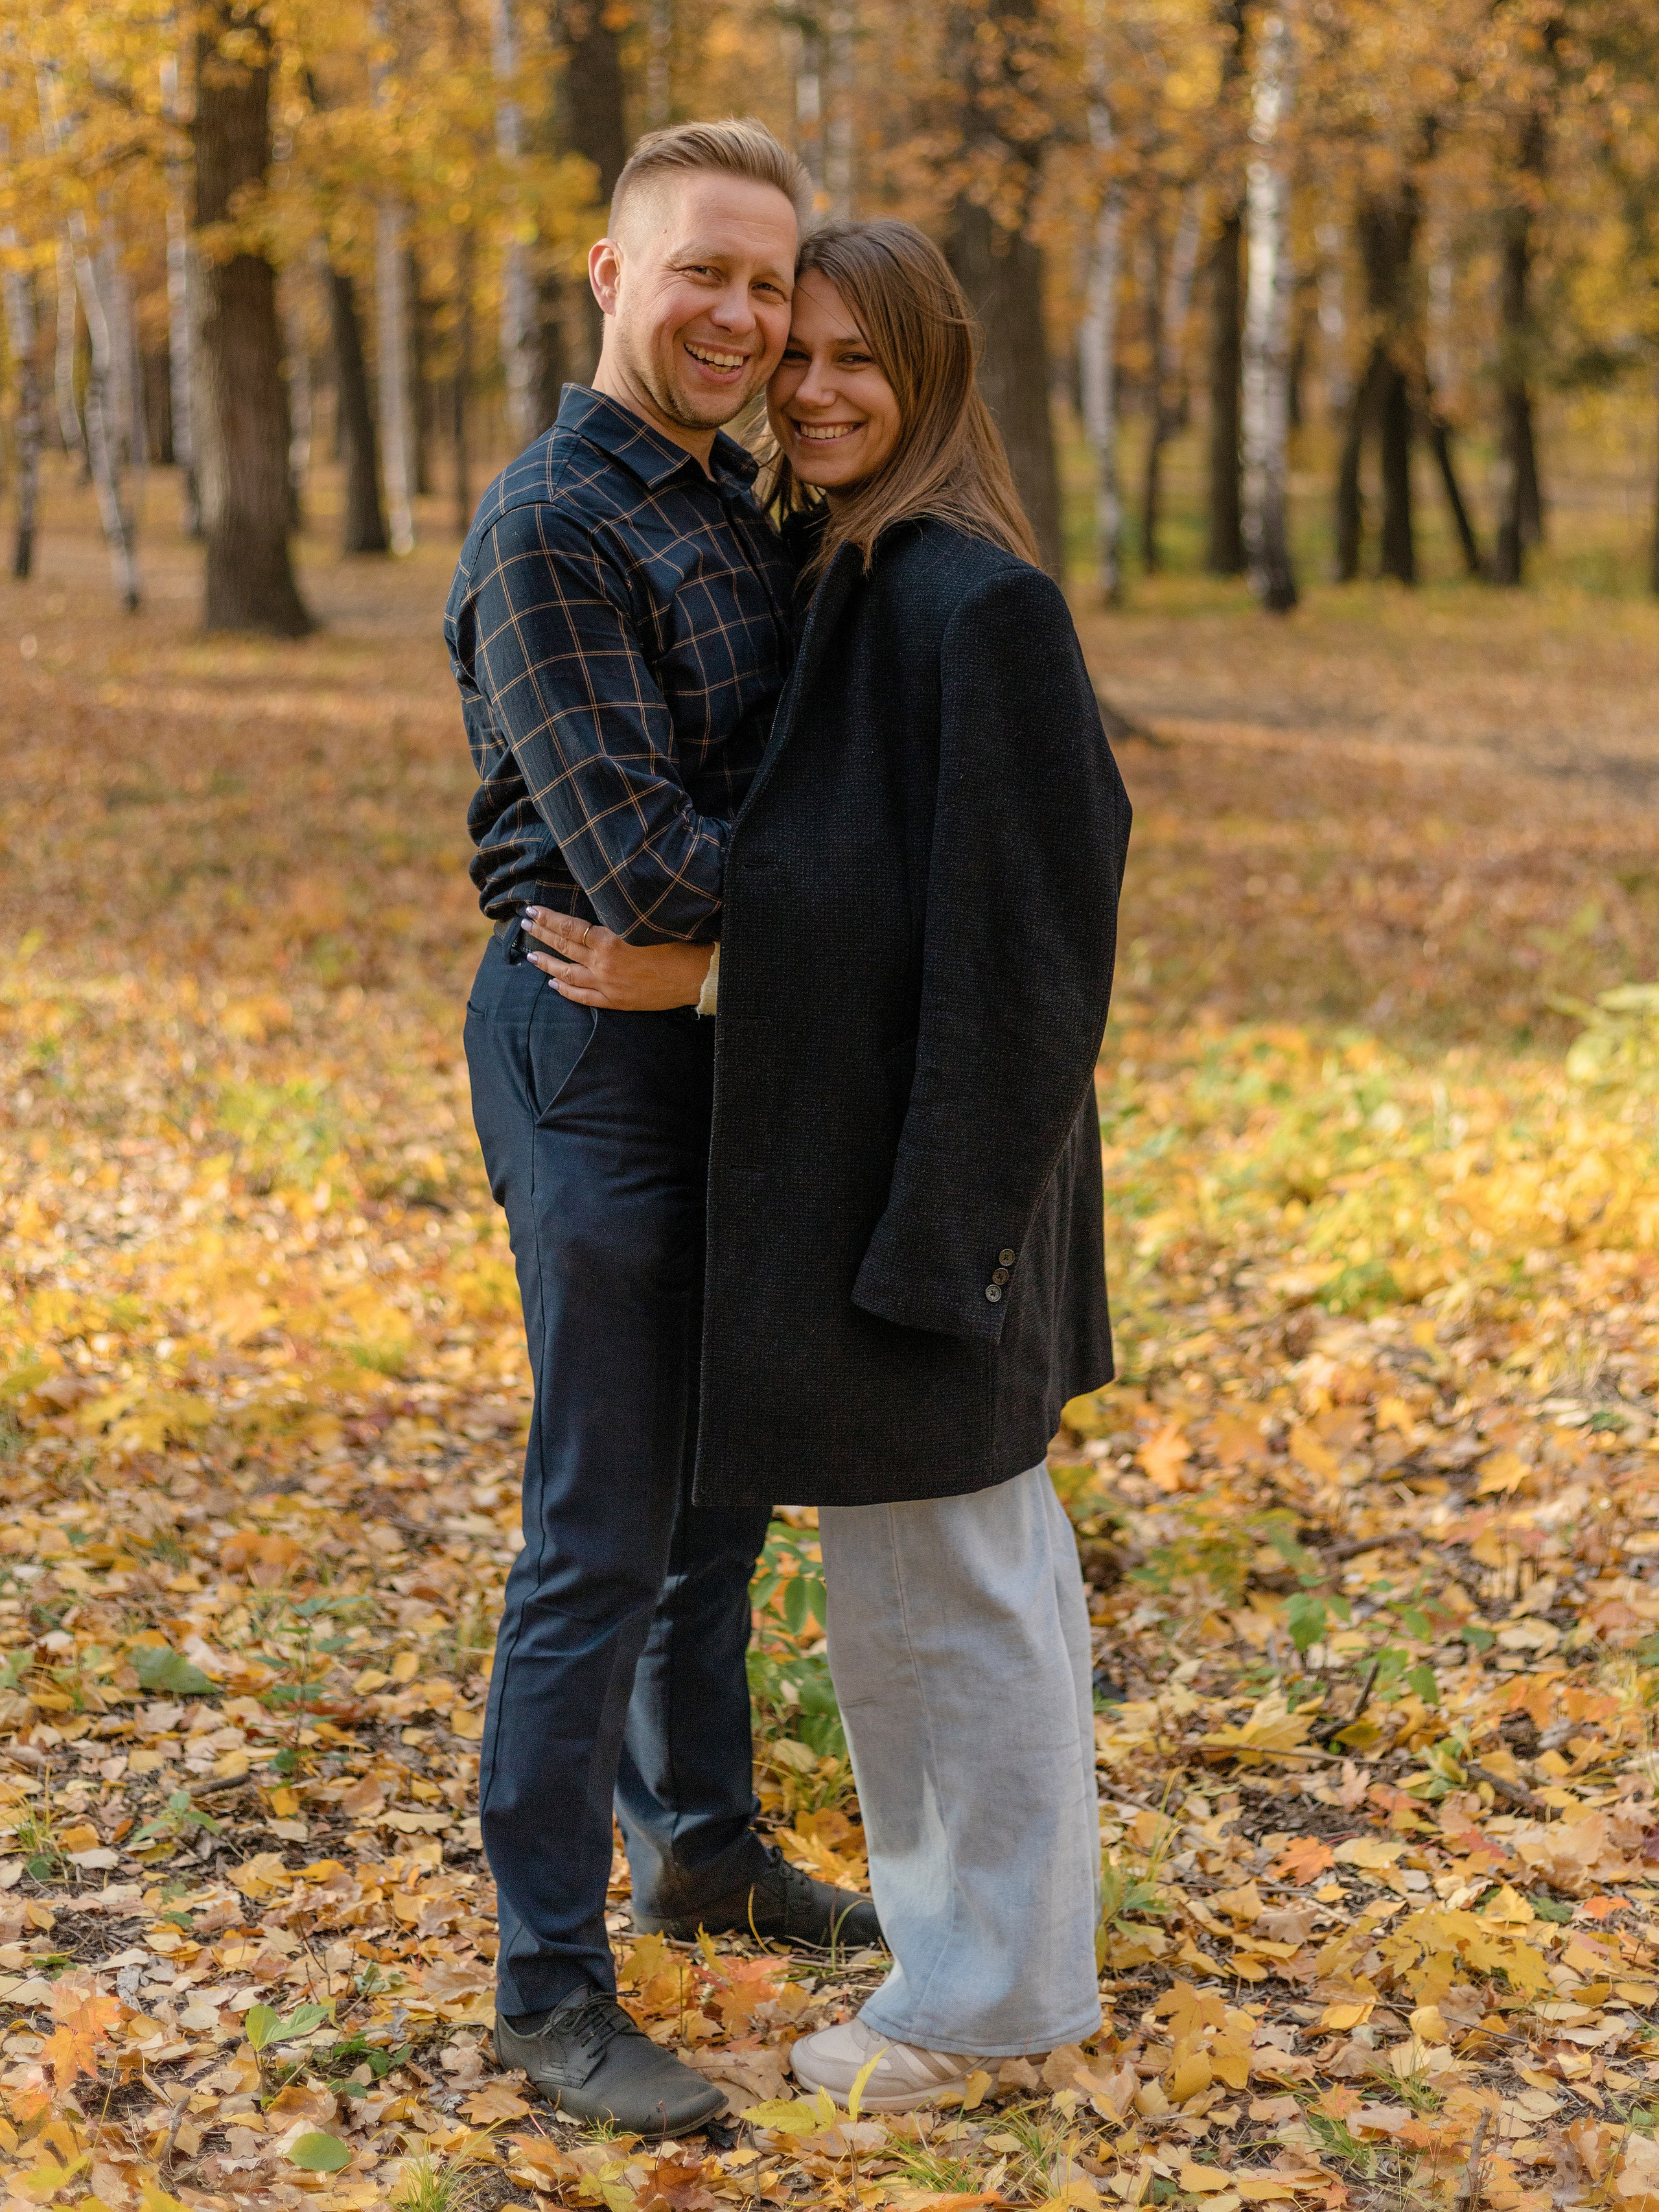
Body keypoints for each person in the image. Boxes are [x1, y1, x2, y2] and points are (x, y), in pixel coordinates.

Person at [522, 218, 1132, 2110]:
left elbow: (1025, 956)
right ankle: (997, 1968)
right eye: (802, 351)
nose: (818, 386)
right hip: (876, 1193)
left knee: (954, 1601)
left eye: (865, 358)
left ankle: (983, 2013)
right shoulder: (843, 574)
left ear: (939, 375)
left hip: (934, 1201)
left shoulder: (973, 602)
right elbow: (854, 867)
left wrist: (940, 1244)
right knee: (939, 1594)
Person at [444, 122, 881, 2141]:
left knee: (723, 1500)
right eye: (700, 270)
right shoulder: (556, 525)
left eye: (767, 281)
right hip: (590, 1055)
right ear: (609, 277)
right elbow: (629, 863)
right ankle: (549, 1983)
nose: (739, 313)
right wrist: (854, 905)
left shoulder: (743, 508)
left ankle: (700, 1838)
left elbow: (753, 844)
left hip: (724, 1040)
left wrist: (763, 941)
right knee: (602, 1526)